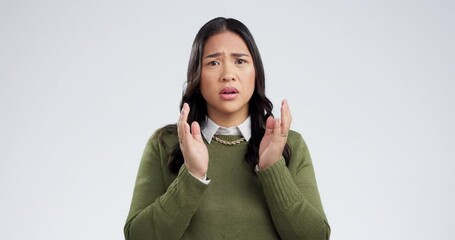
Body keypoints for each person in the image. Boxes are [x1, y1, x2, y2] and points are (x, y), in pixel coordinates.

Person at [124, 17, 330, 240]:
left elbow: (316, 236)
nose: (228, 75)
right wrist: (192, 176)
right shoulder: (166, 143)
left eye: (240, 61)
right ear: (197, 75)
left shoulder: (289, 144)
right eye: (213, 63)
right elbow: (138, 236)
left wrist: (273, 168)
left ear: (256, 72)